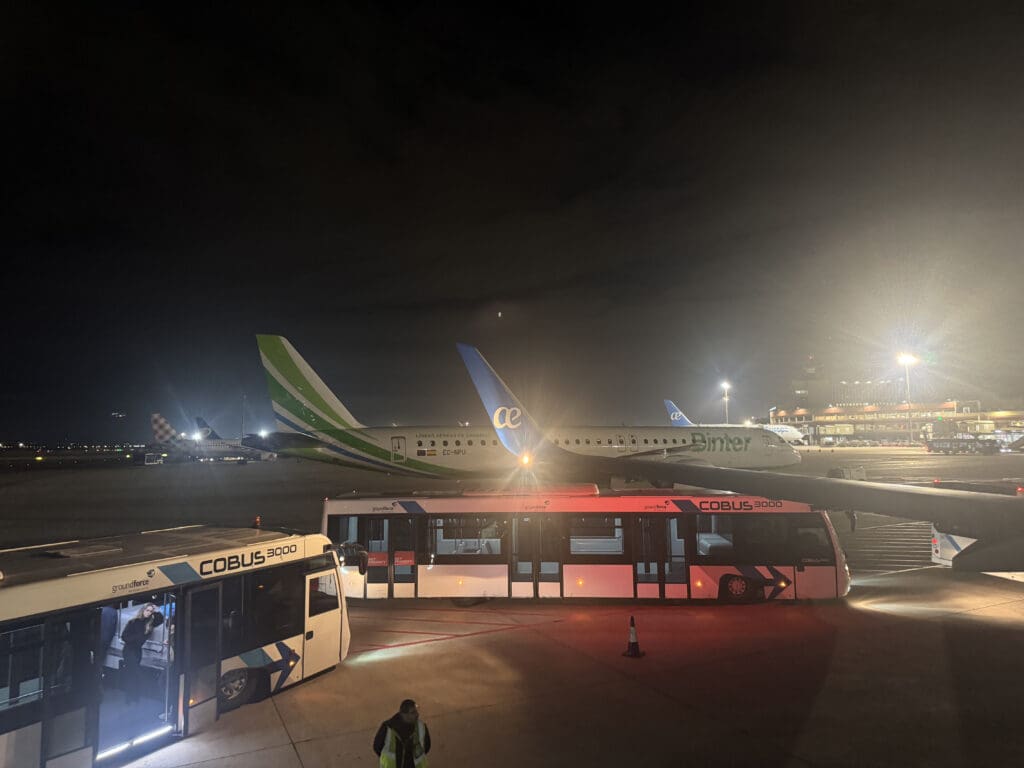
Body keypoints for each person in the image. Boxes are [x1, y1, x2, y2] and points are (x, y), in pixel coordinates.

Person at [121, 603, 164, 703]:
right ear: (143, 610)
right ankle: (130, 697)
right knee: (133, 673)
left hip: (137, 651)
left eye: (150, 611)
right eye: (147, 610)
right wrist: (137, 638)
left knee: (133, 674)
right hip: (129, 650)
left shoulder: (150, 624)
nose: (148, 613)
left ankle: (133, 697)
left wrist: (155, 608)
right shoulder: (133, 622)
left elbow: (160, 618)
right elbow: (124, 637)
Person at [373, 699, 431, 768]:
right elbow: (377, 747)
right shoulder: (387, 728)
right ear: (403, 715)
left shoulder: (421, 726)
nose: (417, 714)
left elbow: (426, 746)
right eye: (413, 712)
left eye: (416, 711)